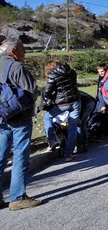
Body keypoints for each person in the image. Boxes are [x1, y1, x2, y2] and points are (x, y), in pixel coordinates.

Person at [0, 38, 42, 211]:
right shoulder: (16, 67)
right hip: (19, 118)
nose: (24, 52)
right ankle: (17, 198)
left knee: (0, 156)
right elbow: (32, 91)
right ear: (13, 51)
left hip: (1, 118)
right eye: (23, 49)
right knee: (20, 156)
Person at [41, 60, 81, 161]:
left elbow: (47, 93)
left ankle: (52, 140)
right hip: (76, 101)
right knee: (72, 128)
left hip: (62, 103)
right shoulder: (72, 72)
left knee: (47, 117)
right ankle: (69, 154)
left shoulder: (53, 75)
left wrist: (51, 99)